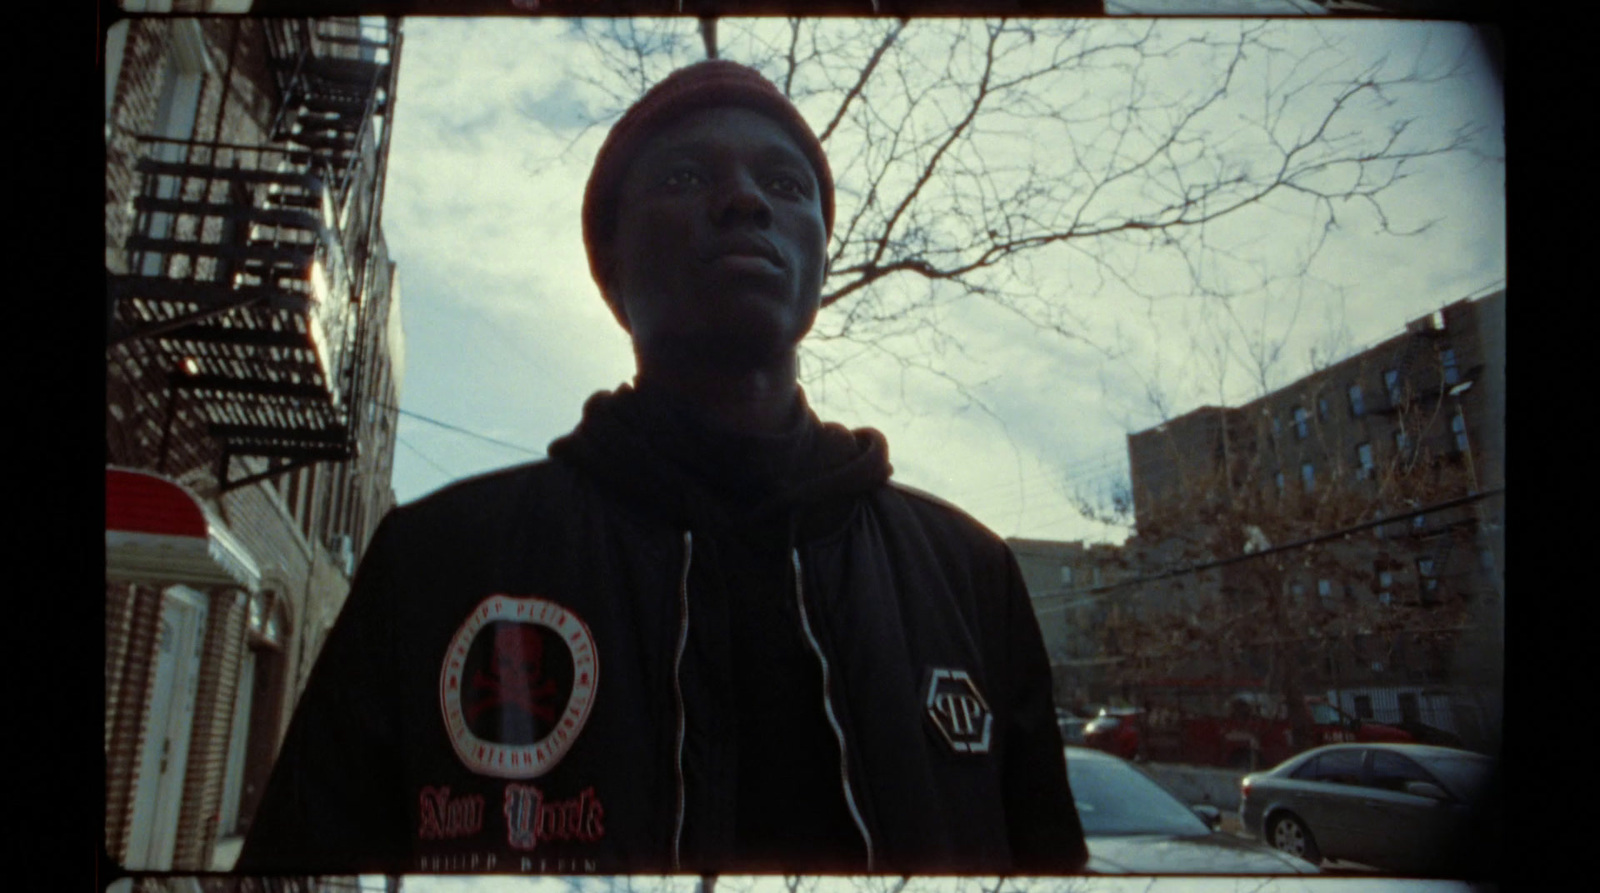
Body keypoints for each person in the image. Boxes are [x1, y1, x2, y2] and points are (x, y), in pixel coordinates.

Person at [237, 60, 1087, 876]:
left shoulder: (971, 575)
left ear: (821, 261)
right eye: (684, 178)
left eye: (787, 186)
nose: (746, 199)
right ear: (609, 269)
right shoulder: (436, 563)